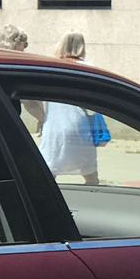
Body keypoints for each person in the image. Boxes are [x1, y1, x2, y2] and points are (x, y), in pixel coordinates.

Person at [40, 32, 100, 185]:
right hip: (80, 127)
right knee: (90, 174)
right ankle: (95, 200)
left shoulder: (50, 67)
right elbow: (94, 103)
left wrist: (41, 118)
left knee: (49, 170)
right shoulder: (90, 69)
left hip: (54, 128)